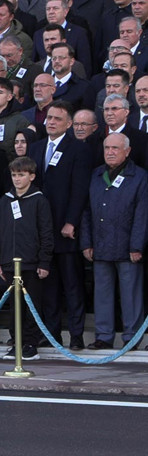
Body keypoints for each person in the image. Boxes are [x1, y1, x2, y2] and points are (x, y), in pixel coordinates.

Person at [28, 101, 92, 351]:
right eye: (49, 118)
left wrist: (71, 221)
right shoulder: (36, 148)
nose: (51, 122)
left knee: (72, 285)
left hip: (65, 228)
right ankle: (51, 334)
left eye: (57, 118)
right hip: (41, 230)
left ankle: (76, 336)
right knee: (49, 287)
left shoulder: (78, 149)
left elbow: (79, 189)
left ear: (68, 124)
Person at [81, 133, 148, 350]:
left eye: (115, 148)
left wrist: (137, 246)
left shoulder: (139, 177)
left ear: (127, 151)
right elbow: (86, 212)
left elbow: (142, 214)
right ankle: (103, 336)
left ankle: (131, 338)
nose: (110, 152)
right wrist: (86, 242)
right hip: (100, 245)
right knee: (102, 294)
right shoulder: (96, 174)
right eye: (107, 148)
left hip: (127, 247)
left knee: (131, 295)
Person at [0, 156, 53, 361]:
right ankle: (16, 341)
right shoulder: (4, 201)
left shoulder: (39, 200)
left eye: (22, 175)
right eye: (14, 175)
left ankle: (30, 343)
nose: (17, 179)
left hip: (31, 262)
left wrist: (44, 261)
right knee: (14, 305)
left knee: (31, 304)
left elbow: (46, 233)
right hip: (9, 262)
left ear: (32, 176)